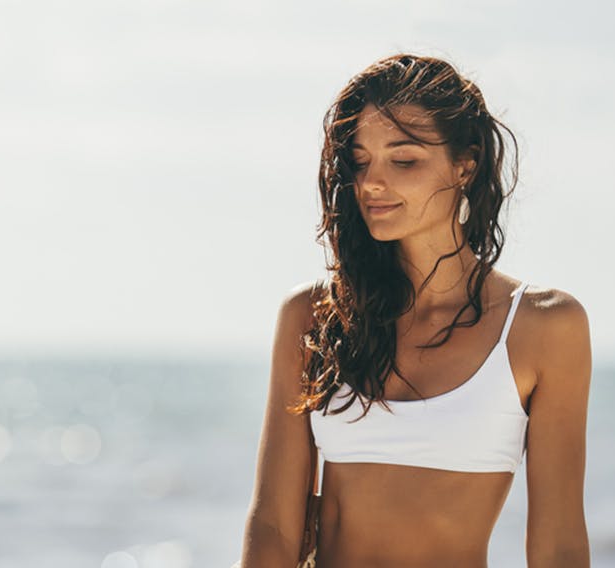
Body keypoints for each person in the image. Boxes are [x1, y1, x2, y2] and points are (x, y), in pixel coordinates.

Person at [238, 53, 592, 567]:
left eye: (403, 161)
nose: (373, 183)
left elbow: (558, 545)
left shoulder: (544, 327)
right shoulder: (315, 316)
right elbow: (272, 524)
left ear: (464, 165)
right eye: (360, 161)